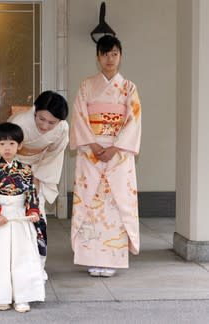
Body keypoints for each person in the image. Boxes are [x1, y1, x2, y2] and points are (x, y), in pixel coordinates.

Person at [69, 35, 141, 277]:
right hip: (91, 152)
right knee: (91, 203)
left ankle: (113, 259)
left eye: (114, 54)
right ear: (97, 57)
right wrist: (93, 144)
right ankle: (90, 255)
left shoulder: (129, 87)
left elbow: (133, 120)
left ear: (120, 56)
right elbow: (79, 117)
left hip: (118, 154)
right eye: (105, 54)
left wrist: (115, 147)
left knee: (115, 203)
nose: (110, 59)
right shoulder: (86, 86)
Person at [0, 122, 45, 313]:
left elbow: (31, 194)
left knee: (23, 256)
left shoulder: (26, 170)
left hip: (20, 217)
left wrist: (33, 212)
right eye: (2, 144)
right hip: (1, 218)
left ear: (19, 146)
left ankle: (23, 297)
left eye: (12, 144)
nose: (7, 148)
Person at [8, 90, 69, 280]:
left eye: (52, 122)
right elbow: (6, 149)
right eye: (41, 119)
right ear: (34, 110)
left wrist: (38, 177)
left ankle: (38, 265)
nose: (45, 125)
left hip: (41, 169)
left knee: (38, 216)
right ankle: (12, 266)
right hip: (15, 165)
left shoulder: (62, 129)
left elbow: (53, 154)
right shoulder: (18, 122)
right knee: (14, 217)